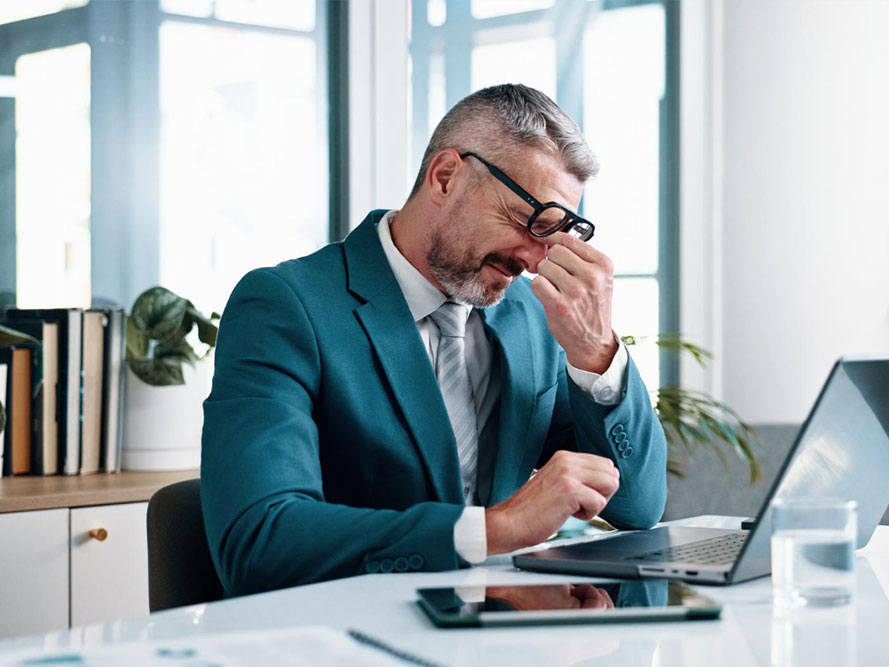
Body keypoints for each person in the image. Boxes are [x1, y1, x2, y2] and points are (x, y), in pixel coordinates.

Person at [201, 83, 667, 597]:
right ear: (446, 177)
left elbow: (638, 507)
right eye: (528, 221)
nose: (536, 260)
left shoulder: (531, 319)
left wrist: (595, 350)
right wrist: (497, 529)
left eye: (556, 234)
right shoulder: (286, 306)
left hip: (500, 625)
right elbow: (259, 543)